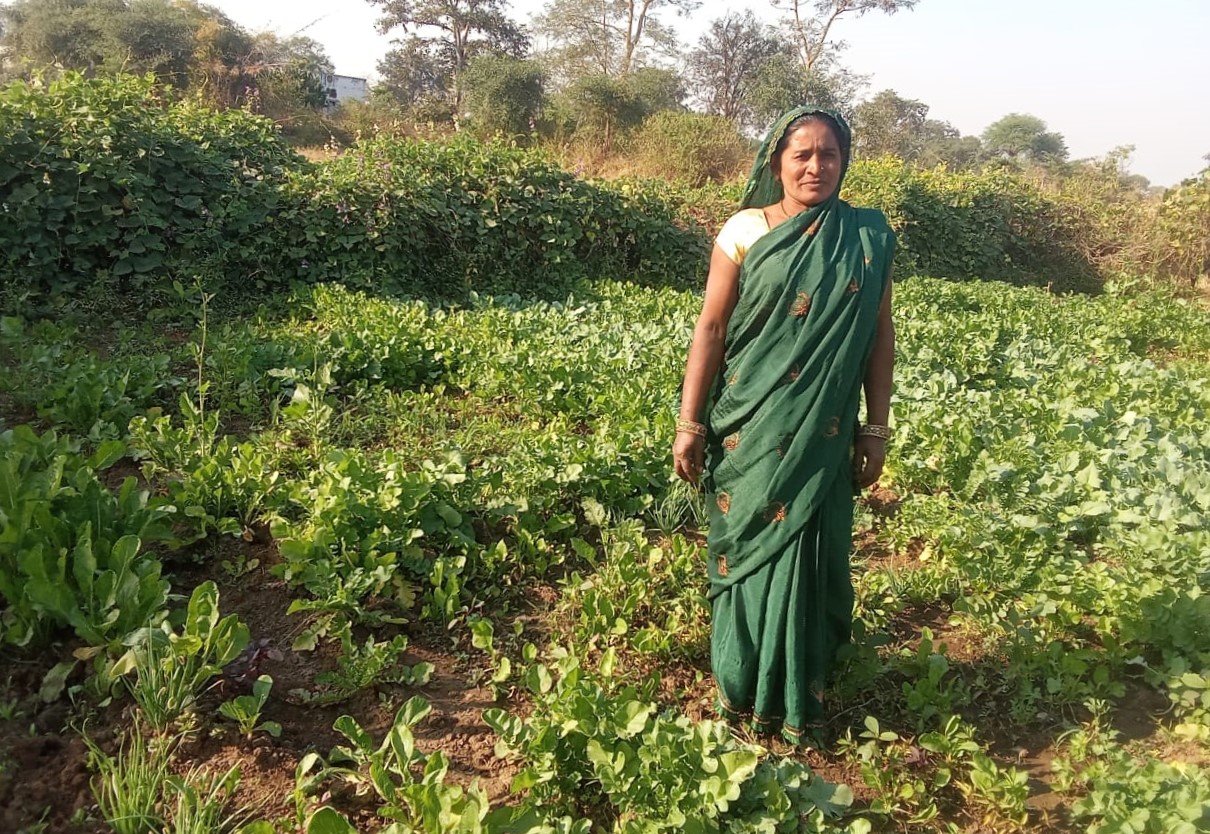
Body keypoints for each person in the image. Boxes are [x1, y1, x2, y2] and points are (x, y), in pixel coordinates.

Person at [673, 105, 895, 743]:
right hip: (748, 424)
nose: (815, 167)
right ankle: (740, 685)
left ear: (845, 162)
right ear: (776, 162)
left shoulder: (867, 236)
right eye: (802, 155)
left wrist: (875, 428)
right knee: (745, 547)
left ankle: (798, 691)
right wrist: (690, 422)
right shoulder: (745, 229)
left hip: (821, 431)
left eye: (829, 155)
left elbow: (879, 335)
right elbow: (712, 327)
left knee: (808, 549)